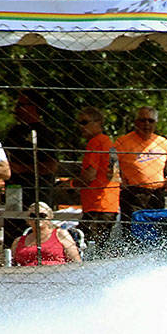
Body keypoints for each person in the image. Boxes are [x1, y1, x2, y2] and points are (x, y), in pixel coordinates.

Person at [112, 107, 167, 220]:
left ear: (156, 123)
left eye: (151, 121)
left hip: (157, 194)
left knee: (157, 231)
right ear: (136, 122)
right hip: (133, 194)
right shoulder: (122, 142)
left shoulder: (164, 143)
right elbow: (111, 166)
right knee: (133, 231)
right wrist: (118, 181)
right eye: (142, 120)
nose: (146, 124)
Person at [75, 106, 119, 253]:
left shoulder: (95, 142)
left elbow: (89, 175)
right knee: (101, 248)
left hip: (97, 206)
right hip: (109, 205)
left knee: (87, 248)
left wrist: (70, 184)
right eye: (79, 123)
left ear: (98, 122)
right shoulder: (108, 142)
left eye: (84, 122)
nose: (80, 127)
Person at [10, 201, 81, 266]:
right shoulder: (18, 241)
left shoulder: (60, 234)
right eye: (33, 216)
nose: (37, 218)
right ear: (28, 220)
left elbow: (76, 262)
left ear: (50, 217)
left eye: (42, 215)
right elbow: (11, 264)